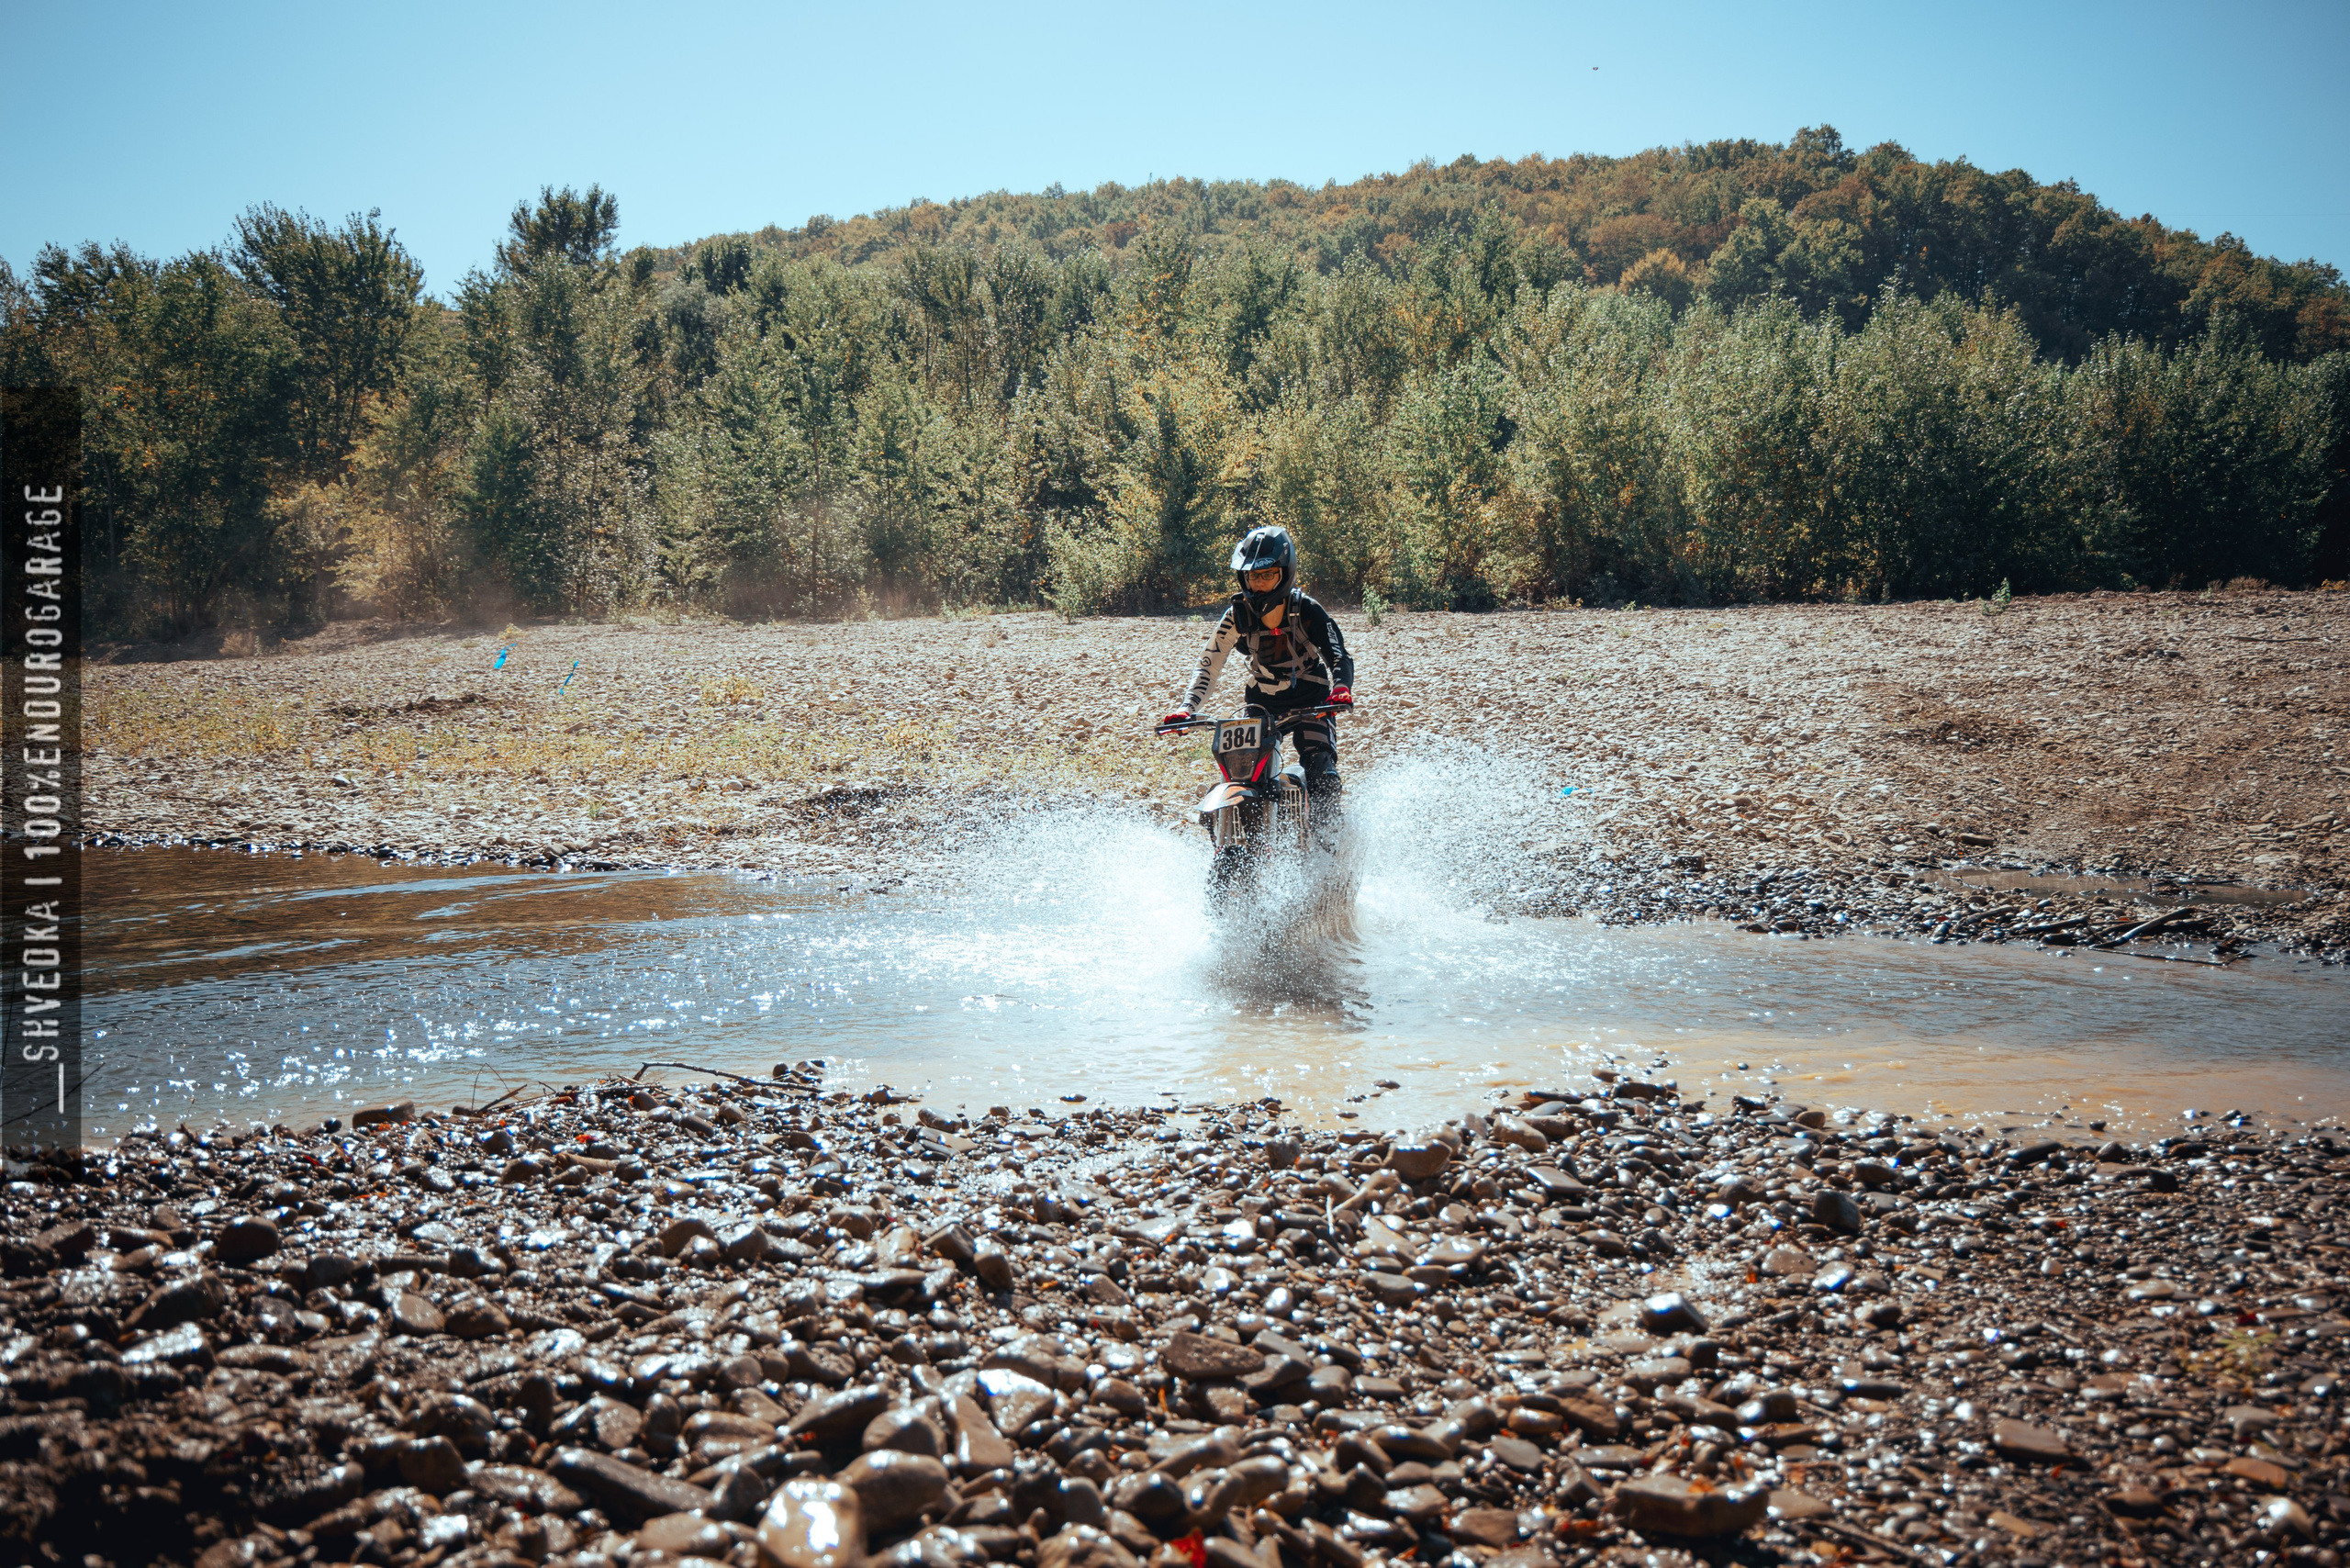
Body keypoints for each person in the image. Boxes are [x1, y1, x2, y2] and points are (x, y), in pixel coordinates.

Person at [1161, 526, 1355, 812]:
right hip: (1261, 704)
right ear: (1243, 577)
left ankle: (1329, 847)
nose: (1259, 584)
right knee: (1245, 776)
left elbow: (1339, 656)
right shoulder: (1235, 617)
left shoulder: (1308, 611)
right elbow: (1209, 664)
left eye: (1267, 575)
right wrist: (1187, 707)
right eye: (1253, 576)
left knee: (1322, 775)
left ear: (1284, 573)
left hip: (1313, 703)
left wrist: (1340, 689)